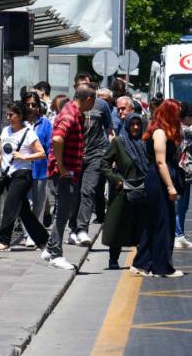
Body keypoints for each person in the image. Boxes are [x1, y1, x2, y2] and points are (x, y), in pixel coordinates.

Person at [43, 85, 96, 270]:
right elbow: (58, 139)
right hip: (63, 173)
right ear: (89, 99)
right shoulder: (70, 114)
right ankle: (56, 254)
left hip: (68, 171)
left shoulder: (75, 112)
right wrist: (61, 165)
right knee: (63, 212)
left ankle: (50, 249)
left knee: (63, 210)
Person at [0, 101, 49, 252]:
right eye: (7, 114)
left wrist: (24, 157)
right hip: (8, 175)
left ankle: (3, 240)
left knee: (10, 205)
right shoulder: (6, 131)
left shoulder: (28, 133)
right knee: (23, 211)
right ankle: (43, 239)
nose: (8, 117)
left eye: (11, 115)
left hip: (23, 174)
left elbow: (42, 153)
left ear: (20, 116)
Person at [136, 99, 184, 277]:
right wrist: (171, 187)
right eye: (177, 112)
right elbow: (160, 162)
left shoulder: (160, 131)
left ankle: (142, 263)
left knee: (153, 223)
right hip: (159, 181)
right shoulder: (160, 133)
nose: (179, 116)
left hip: (157, 180)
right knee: (164, 223)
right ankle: (162, 268)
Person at [68, 73, 115, 246]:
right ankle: (72, 228)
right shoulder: (70, 106)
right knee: (74, 194)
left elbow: (109, 130)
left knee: (88, 191)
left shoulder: (101, 105)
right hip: (75, 155)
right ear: (75, 88)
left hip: (95, 154)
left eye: (88, 85)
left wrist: (112, 153)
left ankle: (82, 229)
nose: (86, 88)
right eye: (81, 85)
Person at [100, 113, 146, 270]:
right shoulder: (119, 142)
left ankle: (141, 260)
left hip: (142, 190)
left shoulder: (145, 142)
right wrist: (116, 180)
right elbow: (105, 163)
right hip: (122, 191)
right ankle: (113, 259)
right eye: (132, 124)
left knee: (141, 225)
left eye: (138, 124)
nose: (135, 127)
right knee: (118, 225)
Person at [20, 91, 53, 246]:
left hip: (40, 169)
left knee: (39, 204)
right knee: (28, 203)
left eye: (34, 104)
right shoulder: (19, 123)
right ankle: (28, 234)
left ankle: (34, 235)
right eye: (28, 105)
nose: (31, 108)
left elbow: (49, 146)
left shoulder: (45, 123)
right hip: (22, 169)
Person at [174, 102, 192, 249]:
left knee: (183, 205)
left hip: (182, 170)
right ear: (186, 117)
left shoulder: (180, 128)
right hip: (185, 169)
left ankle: (180, 235)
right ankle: (178, 235)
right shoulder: (184, 129)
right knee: (181, 205)